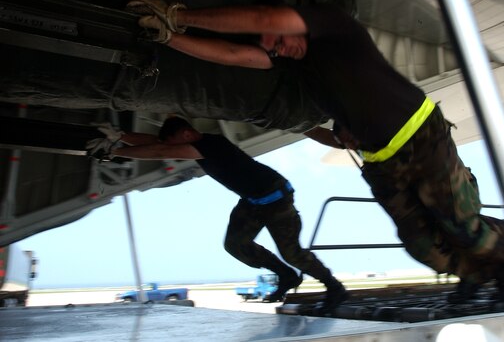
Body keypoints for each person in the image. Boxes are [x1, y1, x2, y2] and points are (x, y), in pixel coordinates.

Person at [125, 0, 504, 310]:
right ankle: (477, 274)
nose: (278, 47)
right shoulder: (298, 67)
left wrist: (181, 17)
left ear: (294, 21)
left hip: (422, 136)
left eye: (280, 38)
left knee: (460, 224)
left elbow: (265, 19)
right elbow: (234, 55)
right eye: (272, 48)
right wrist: (168, 37)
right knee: (420, 245)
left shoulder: (335, 27)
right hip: (382, 162)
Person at [86, 118, 348, 312]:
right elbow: (158, 143)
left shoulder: (211, 144)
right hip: (253, 201)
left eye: (175, 141)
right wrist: (119, 135)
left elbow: (159, 151)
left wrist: (114, 151)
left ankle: (334, 287)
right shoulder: (195, 143)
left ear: (188, 134)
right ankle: (287, 276)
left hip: (276, 198)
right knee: (235, 245)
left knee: (292, 252)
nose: (172, 147)